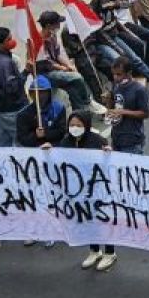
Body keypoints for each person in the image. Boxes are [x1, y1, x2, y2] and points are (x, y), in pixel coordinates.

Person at [58, 111, 116, 270]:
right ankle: (94, 250)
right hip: (79, 189)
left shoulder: (96, 140)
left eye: (78, 125)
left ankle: (109, 252)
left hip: (97, 187)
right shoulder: (65, 142)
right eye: (71, 125)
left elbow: (109, 160)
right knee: (88, 219)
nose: (74, 128)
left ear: (86, 125)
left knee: (103, 219)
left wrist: (108, 153)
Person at [14, 76, 67, 149]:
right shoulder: (23, 114)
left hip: (55, 148)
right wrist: (35, 135)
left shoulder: (59, 109)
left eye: (42, 92)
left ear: (48, 93)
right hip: (33, 151)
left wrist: (46, 133)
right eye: (35, 93)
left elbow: (62, 132)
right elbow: (22, 139)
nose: (39, 96)